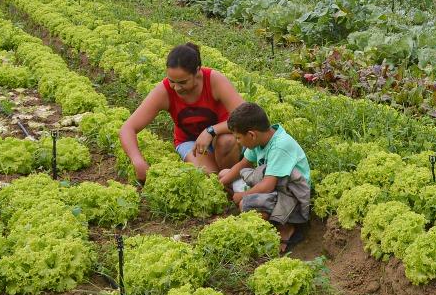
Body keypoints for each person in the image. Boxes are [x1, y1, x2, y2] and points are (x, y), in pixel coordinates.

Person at [119, 43, 245, 183]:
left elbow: (246, 117)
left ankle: (232, 180)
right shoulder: (164, 91)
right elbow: (128, 128)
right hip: (189, 141)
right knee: (210, 177)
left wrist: (210, 131)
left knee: (227, 142)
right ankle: (228, 183)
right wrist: (137, 160)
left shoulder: (214, 80)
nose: (177, 88)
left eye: (183, 82)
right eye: (172, 81)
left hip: (220, 137)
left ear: (197, 71)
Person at [218, 102, 312, 252]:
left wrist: (242, 195)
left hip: (290, 194)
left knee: (245, 205)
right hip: (272, 184)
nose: (237, 142)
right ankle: (264, 213)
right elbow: (243, 164)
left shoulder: (280, 145)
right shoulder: (260, 141)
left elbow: (268, 185)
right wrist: (220, 183)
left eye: (238, 138)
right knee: (225, 174)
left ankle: (286, 228)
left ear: (251, 135)